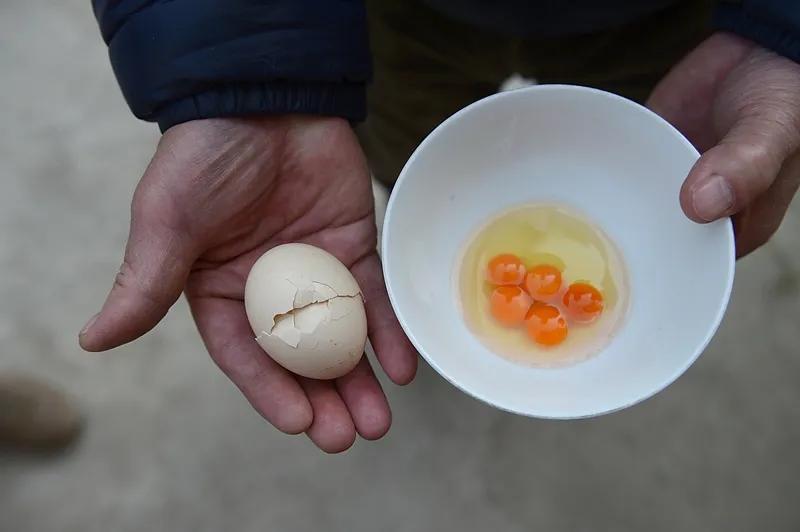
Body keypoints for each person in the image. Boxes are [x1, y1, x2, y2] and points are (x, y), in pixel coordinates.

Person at [81, 0, 800, 453]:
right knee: (402, 141)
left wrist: (783, 28)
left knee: (654, 157)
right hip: (398, 16)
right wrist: (241, 71)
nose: (540, 293)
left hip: (661, 16)